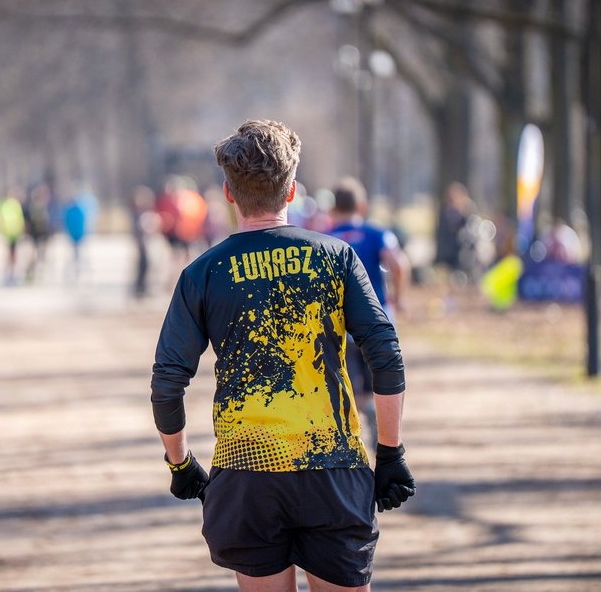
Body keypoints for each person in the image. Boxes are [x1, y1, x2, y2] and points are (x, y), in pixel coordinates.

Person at [151, 120, 415, 592]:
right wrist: (391, 452)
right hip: (332, 467)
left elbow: (168, 381)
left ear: (228, 194)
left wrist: (179, 462)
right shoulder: (337, 258)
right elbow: (385, 352)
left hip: (246, 473)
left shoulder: (202, 273)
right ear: (292, 190)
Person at [328, 178, 411, 452]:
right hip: (376, 322)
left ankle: (355, 431)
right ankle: (376, 418)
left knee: (348, 381)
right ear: (361, 206)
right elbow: (398, 263)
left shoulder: (325, 239)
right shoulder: (377, 234)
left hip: (340, 326)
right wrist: (397, 299)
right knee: (379, 376)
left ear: (333, 209)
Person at [0, 189, 26, 285]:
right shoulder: (2, 205)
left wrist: (21, 228)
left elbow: (20, 217)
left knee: (13, 254)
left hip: (14, 233)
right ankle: (7, 273)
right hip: (7, 233)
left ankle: (12, 273)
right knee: (7, 254)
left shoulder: (15, 205)